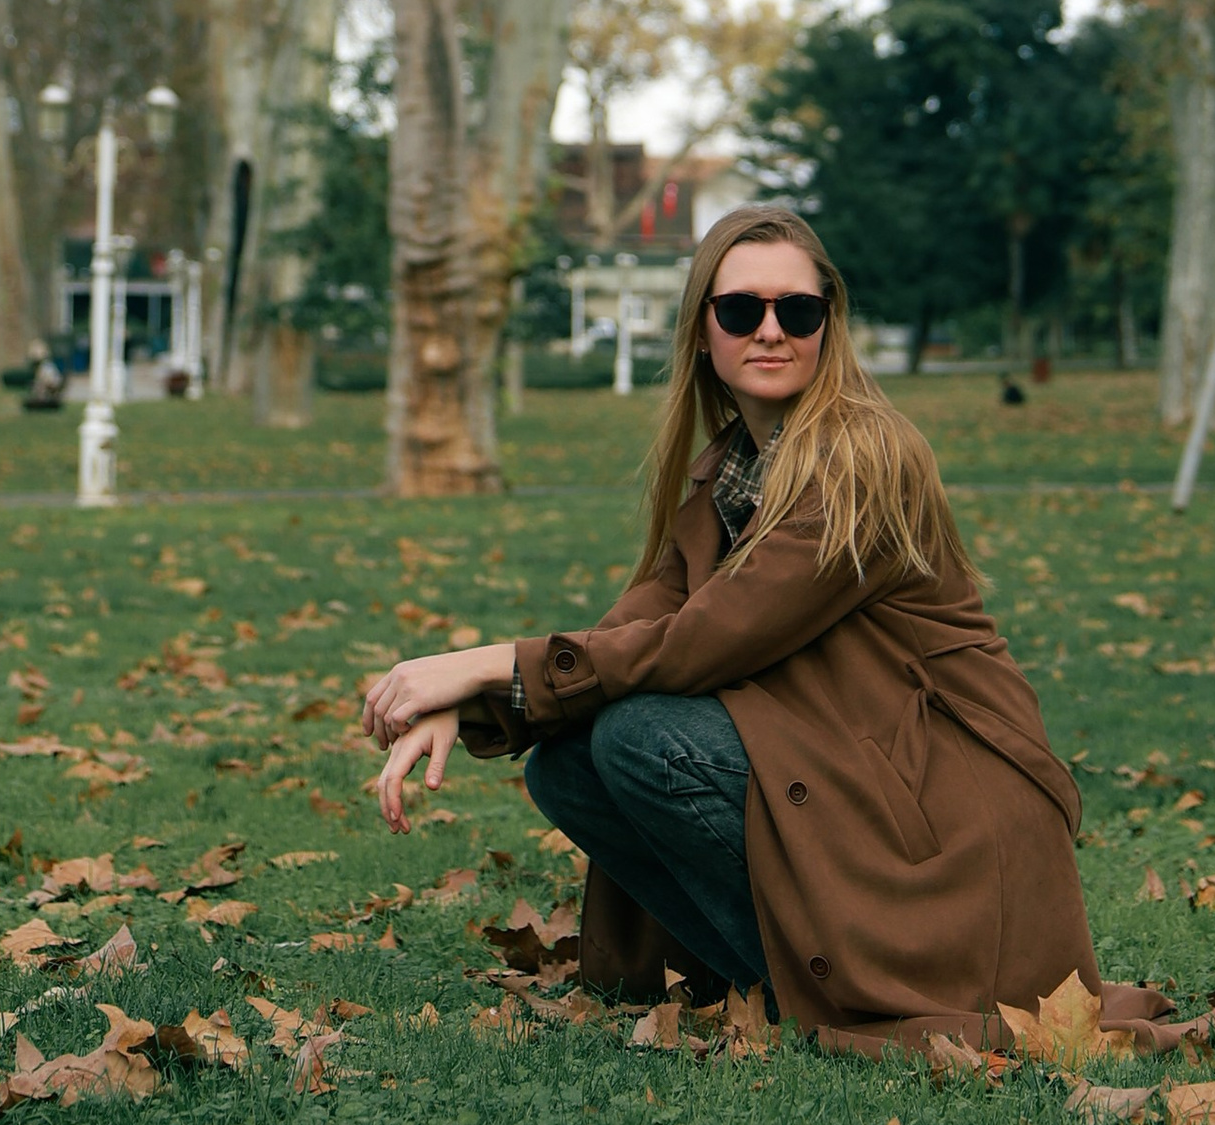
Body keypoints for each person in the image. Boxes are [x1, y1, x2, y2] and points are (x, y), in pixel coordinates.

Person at [358, 204, 1102, 1050]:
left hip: (949, 812)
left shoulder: (866, 459)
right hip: (857, 771)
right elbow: (633, 627)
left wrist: (486, 662)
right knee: (569, 765)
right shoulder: (731, 474)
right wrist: (484, 696)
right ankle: (777, 985)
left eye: (800, 310)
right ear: (703, 330)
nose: (772, 330)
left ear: (830, 322)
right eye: (742, 310)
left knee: (639, 737)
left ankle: (853, 995)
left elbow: (702, 642)